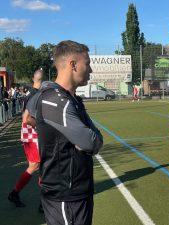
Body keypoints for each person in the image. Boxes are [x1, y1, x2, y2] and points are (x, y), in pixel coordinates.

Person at [27, 40, 103, 225]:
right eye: (88, 63)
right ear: (73, 65)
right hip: (65, 195)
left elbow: (94, 139)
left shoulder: (70, 98)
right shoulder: (55, 100)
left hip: (77, 191)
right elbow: (91, 142)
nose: (90, 70)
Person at [8, 69, 43, 208]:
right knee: (38, 165)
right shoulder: (36, 94)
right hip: (32, 134)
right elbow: (26, 118)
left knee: (37, 166)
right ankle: (43, 202)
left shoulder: (31, 92)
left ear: (33, 78)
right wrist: (41, 125)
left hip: (28, 133)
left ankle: (16, 193)